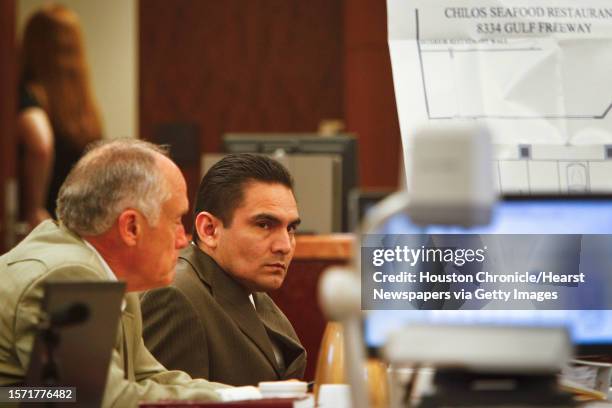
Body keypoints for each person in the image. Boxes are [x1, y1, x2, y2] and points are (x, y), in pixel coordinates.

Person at [0, 139, 229, 406]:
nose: (182, 238)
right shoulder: (69, 275)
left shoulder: (104, 272)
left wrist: (249, 397)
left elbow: (147, 378)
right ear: (131, 227)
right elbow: (96, 401)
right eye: (177, 220)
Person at [141, 154, 307, 386]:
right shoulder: (176, 295)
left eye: (290, 228)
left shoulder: (249, 285)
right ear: (209, 230)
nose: (284, 246)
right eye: (264, 225)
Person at [17, 4, 103, 228]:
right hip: (80, 224)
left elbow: (40, 144)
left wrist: (33, 209)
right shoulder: (84, 109)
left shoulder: (29, 95)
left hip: (43, 225)